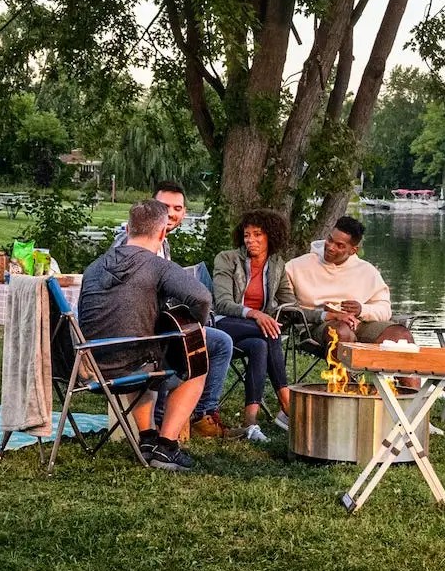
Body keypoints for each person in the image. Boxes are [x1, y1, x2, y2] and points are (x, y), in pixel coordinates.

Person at [78, 197, 212, 471]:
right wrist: (191, 327)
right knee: (198, 355)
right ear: (162, 234)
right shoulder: (157, 266)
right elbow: (202, 298)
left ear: (128, 229)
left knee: (143, 346)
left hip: (91, 367)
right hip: (131, 366)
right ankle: (166, 446)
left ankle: (147, 437)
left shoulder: (93, 267)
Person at [110, 179, 235, 438]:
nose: (171, 213)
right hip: (138, 333)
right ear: (150, 208)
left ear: (184, 213)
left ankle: (195, 413)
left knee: (210, 340)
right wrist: (193, 325)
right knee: (214, 343)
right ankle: (183, 419)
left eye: (177, 208)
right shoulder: (131, 242)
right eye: (165, 206)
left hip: (148, 326)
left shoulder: (162, 241)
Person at [209, 209, 297, 444]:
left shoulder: (277, 264)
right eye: (247, 235)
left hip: (254, 332)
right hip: (222, 325)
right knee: (268, 331)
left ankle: (250, 422)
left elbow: (290, 304)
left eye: (258, 234)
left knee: (260, 345)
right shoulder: (226, 259)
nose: (251, 240)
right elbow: (223, 303)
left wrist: (323, 313)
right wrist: (256, 314)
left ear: (271, 236)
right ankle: (288, 405)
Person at [282, 215, 415, 352]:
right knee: (341, 332)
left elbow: (385, 309)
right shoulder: (296, 266)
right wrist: (325, 313)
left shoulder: (367, 271)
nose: (331, 247)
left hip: (359, 324)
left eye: (339, 245)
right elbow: (286, 306)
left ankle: (407, 373)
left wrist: (362, 309)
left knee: (401, 337)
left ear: (353, 250)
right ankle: (343, 374)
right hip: (318, 326)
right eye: (330, 240)